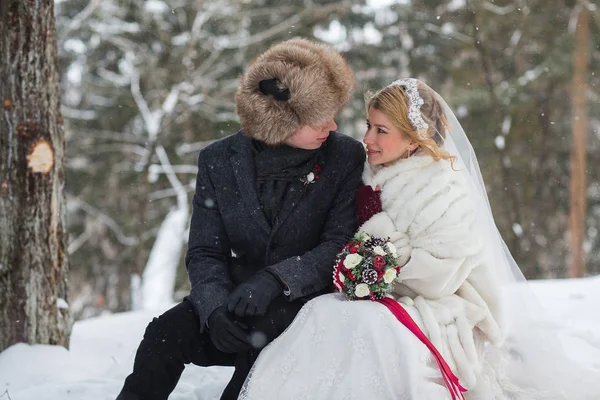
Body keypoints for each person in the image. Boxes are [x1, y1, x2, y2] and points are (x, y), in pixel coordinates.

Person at [238, 79, 599, 400]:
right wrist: (364, 268)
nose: (367, 139)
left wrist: (383, 264)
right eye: (368, 126)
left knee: (368, 327)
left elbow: (442, 274)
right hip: (381, 295)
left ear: (414, 139)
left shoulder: (444, 189)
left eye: (381, 130)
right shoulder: (368, 175)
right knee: (322, 311)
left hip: (442, 304)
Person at [115, 38, 365, 400]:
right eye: (318, 116)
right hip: (234, 300)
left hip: (305, 303)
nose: (332, 124)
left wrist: (277, 279)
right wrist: (213, 308)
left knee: (255, 369)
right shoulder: (218, 160)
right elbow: (205, 251)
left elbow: (338, 244)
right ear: (278, 118)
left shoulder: (344, 155)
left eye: (333, 111)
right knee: (162, 337)